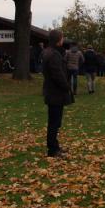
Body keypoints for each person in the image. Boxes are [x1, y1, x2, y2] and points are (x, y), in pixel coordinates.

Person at [42, 29, 73, 158]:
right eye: (62, 37)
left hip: (51, 92)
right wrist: (66, 86)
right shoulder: (53, 54)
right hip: (55, 93)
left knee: (54, 121)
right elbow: (57, 74)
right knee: (54, 122)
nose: (63, 39)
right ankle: (53, 150)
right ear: (58, 40)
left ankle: (54, 146)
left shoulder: (48, 52)